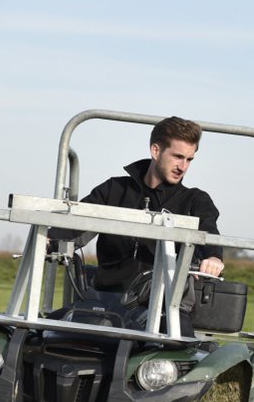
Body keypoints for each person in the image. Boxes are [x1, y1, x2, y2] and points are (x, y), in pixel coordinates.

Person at [71, 116, 225, 293]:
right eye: (177, 157)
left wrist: (214, 258)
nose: (183, 167)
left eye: (189, 160)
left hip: (168, 305)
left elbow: (208, 233)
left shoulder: (196, 200)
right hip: (108, 297)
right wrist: (49, 241)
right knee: (57, 318)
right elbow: (76, 225)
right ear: (155, 151)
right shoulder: (114, 189)